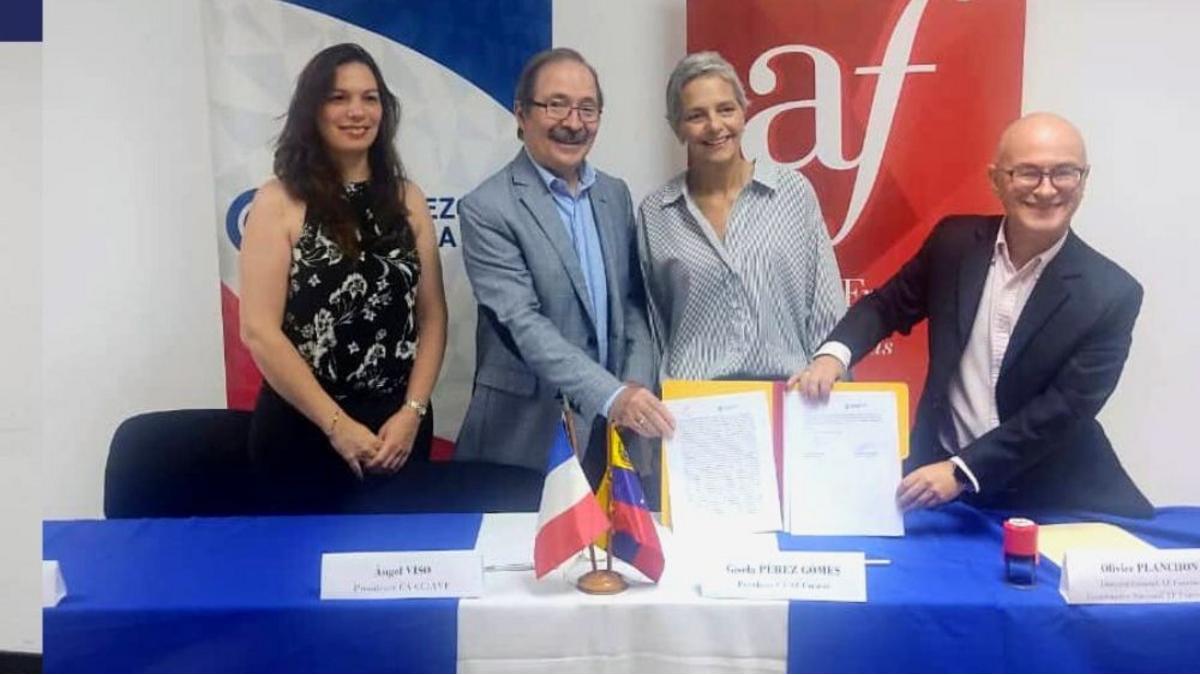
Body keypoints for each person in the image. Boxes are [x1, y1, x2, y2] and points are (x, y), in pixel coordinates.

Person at [791, 112, 1152, 517]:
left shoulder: (1111, 295)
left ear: (1083, 180)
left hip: (1051, 497)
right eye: (1028, 173)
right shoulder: (955, 244)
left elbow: (1064, 410)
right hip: (935, 482)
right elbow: (885, 306)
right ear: (996, 180)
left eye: (1064, 172)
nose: (1046, 188)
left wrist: (963, 471)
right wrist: (833, 356)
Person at [239, 43, 448, 514]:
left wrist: (412, 412)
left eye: (370, 98)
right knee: (302, 560)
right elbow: (259, 331)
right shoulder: (278, 202)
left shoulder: (408, 199)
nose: (357, 111)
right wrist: (338, 426)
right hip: (303, 431)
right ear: (312, 109)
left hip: (398, 434)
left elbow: (432, 317)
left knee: (399, 556)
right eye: (339, 98)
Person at [455, 48, 673, 492]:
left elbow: (632, 301)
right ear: (521, 113)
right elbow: (522, 323)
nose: (573, 123)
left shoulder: (614, 194)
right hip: (522, 442)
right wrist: (611, 395)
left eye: (587, 109)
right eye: (556, 105)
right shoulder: (487, 208)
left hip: (613, 433)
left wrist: (633, 382)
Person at [639, 51, 846, 380]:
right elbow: (653, 330)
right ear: (678, 128)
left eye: (726, 109)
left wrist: (832, 377)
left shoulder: (792, 192)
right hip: (693, 401)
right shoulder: (656, 212)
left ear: (743, 113)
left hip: (788, 395)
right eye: (696, 115)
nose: (715, 126)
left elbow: (827, 310)